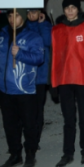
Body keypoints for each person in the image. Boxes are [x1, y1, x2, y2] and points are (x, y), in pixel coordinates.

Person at [0, 9, 45, 167]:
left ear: (24, 16)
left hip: (24, 88)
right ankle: (15, 155)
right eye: (10, 16)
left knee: (29, 123)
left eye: (17, 15)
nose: (13, 19)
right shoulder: (0, 35)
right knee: (10, 125)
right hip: (5, 89)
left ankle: (30, 154)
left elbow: (39, 58)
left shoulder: (33, 36)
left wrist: (20, 54)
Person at [50, 0, 84, 167]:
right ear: (63, 10)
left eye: (73, 8)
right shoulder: (56, 30)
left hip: (83, 79)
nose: (70, 11)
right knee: (69, 119)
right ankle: (67, 153)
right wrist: (52, 83)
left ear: (78, 9)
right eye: (67, 8)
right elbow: (53, 57)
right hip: (64, 80)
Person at [25, 8, 52, 150]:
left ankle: (35, 139)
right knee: (26, 109)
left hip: (40, 75)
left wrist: (42, 24)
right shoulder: (23, 27)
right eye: (29, 12)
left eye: (34, 12)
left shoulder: (46, 26)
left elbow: (48, 42)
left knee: (37, 109)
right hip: (25, 75)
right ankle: (28, 137)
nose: (31, 15)